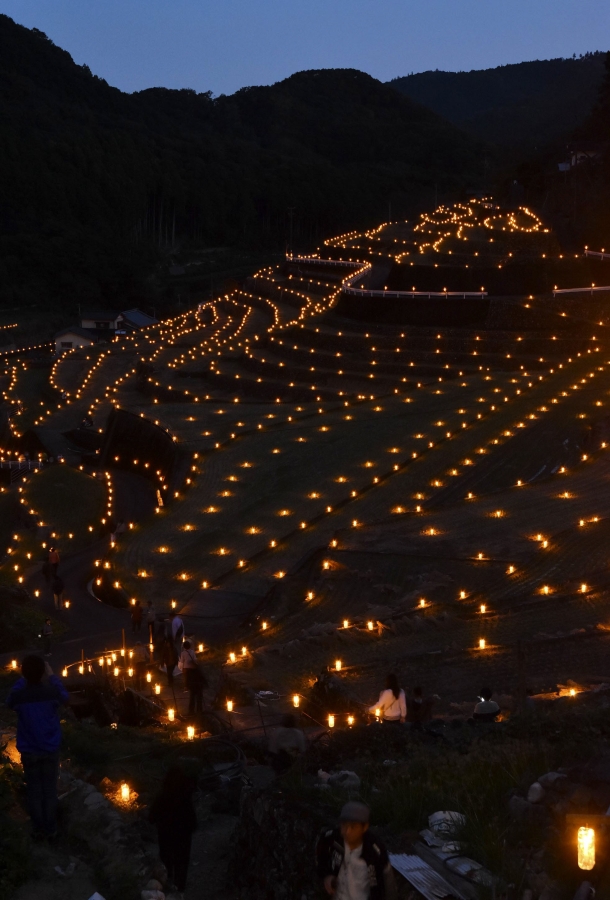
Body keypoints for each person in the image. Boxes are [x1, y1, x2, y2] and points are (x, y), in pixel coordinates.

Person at [6, 655, 70, 839]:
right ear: (43, 672)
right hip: (50, 748)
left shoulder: (20, 696)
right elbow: (66, 697)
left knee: (34, 789)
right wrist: (52, 677)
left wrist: (23, 679)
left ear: (24, 673)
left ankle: (37, 828)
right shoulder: (51, 693)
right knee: (49, 789)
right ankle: (51, 829)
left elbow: (9, 701)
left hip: (29, 749)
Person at [316, 801, 396, 900]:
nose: (347, 831)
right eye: (344, 825)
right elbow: (321, 855)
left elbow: (386, 884)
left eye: (353, 827)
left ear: (364, 827)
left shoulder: (374, 851)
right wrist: (327, 875)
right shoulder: (333, 839)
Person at [149, 766, 198, 899]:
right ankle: (180, 890)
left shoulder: (162, 798)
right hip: (183, 838)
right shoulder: (185, 798)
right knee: (182, 863)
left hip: (166, 837)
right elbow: (193, 821)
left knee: (167, 863)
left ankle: (169, 886)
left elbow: (151, 818)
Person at [180, 641, 205, 714]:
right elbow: (195, 659)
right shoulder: (192, 652)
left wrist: (181, 668)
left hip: (186, 668)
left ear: (184, 647)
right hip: (192, 669)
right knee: (198, 694)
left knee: (186, 678)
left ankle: (186, 686)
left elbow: (181, 661)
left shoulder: (183, 653)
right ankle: (199, 710)